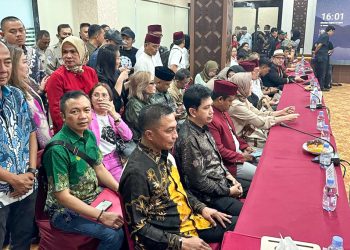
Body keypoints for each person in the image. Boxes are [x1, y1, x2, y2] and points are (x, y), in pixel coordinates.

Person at [120, 103, 236, 249]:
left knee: (242, 225)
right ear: (149, 135)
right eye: (169, 131)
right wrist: (180, 242)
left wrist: (201, 208)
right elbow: (138, 228)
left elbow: (179, 189)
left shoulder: (163, 153)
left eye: (176, 128)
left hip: (190, 219)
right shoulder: (136, 173)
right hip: (170, 235)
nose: (176, 135)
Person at [42, 91, 124, 250]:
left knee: (129, 212)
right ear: (63, 116)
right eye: (74, 111)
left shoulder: (89, 135)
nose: (83, 116)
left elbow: (99, 168)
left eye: (86, 110)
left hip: (93, 197)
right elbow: (63, 197)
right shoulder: (57, 149)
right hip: (64, 211)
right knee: (113, 234)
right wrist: (101, 216)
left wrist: (120, 189)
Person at [174, 84, 249, 216]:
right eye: (206, 107)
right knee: (248, 214)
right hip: (209, 197)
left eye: (211, 106)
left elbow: (217, 158)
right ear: (193, 112)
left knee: (258, 188)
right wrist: (229, 191)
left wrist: (230, 177)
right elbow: (199, 182)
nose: (212, 111)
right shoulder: (189, 140)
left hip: (222, 181)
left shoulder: (203, 125)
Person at [0, 41, 38, 249]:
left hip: (26, 185)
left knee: (23, 240)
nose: (3, 69)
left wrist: (30, 172)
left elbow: (30, 132)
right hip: (4, 188)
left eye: (7, 62)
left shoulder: (15, 94)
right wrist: (13, 179)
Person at [229, 72, 299, 148]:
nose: (251, 88)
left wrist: (281, 112)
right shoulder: (236, 105)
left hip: (247, 134)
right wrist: (285, 118)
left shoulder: (242, 99)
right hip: (241, 142)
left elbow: (258, 113)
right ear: (242, 87)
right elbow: (260, 122)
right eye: (249, 85)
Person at [45, 36, 98, 134]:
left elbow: (95, 101)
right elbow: (57, 112)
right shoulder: (57, 77)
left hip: (93, 127)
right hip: (69, 132)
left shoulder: (90, 72)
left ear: (82, 52)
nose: (68, 56)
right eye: (65, 52)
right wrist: (74, 133)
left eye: (73, 51)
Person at [208, 80, 257, 180]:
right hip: (230, 163)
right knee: (260, 174)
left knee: (264, 160)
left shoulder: (224, 111)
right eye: (230, 101)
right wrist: (241, 157)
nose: (231, 104)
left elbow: (233, 135)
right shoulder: (211, 118)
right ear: (220, 99)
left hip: (239, 153)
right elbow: (219, 150)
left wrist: (245, 146)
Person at [8, 46, 52, 149]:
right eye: (24, 62)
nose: (28, 65)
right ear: (13, 66)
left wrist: (40, 91)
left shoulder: (28, 83)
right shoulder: (12, 94)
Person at [89, 83, 132, 182]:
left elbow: (128, 136)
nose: (100, 99)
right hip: (97, 162)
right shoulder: (88, 116)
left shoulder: (112, 116)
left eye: (104, 95)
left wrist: (114, 114)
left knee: (127, 185)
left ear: (110, 99)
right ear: (90, 99)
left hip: (114, 159)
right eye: (96, 95)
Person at [95, 44, 129, 113]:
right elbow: (111, 99)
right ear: (110, 60)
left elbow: (120, 89)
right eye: (117, 58)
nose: (120, 62)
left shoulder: (114, 71)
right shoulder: (100, 77)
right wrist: (121, 78)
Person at [124, 71, 156, 141]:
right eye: (151, 83)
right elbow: (143, 126)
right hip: (138, 139)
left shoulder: (150, 98)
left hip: (151, 136)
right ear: (142, 85)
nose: (155, 85)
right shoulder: (133, 104)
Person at [314, 25, 335, 91]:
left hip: (321, 56)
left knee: (321, 72)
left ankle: (320, 86)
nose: (333, 33)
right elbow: (319, 45)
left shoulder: (323, 35)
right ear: (330, 30)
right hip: (322, 57)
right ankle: (321, 87)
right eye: (333, 32)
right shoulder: (325, 36)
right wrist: (315, 52)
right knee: (322, 72)